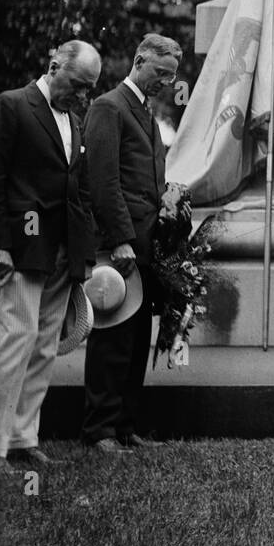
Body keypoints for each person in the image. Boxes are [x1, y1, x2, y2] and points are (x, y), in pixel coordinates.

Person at [0, 42, 102, 475]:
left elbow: (82, 190)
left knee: (43, 345)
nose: (83, 97)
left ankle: (23, 438)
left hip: (63, 251)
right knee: (16, 338)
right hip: (22, 246)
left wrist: (84, 254)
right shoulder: (12, 105)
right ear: (54, 66)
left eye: (90, 89)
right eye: (78, 85)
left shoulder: (75, 119)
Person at [82, 34, 182, 453]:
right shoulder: (108, 106)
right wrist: (121, 240)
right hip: (121, 248)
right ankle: (99, 430)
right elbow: (103, 182)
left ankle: (125, 426)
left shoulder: (144, 110)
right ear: (140, 61)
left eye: (171, 76)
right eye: (161, 73)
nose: (165, 82)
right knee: (113, 339)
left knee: (137, 337)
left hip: (146, 246)